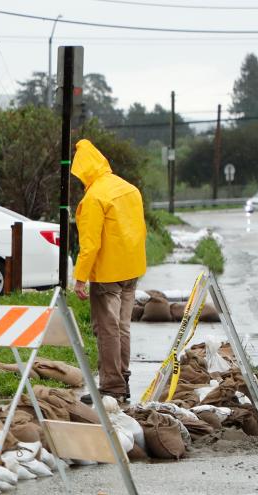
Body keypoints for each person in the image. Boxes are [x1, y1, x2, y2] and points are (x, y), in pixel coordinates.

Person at [70, 139, 147, 404]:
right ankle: (122, 379)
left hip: (107, 274)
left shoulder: (94, 197)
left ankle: (111, 386)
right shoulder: (129, 189)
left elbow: (89, 245)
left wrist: (80, 278)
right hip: (132, 269)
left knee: (107, 329)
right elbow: (139, 230)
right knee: (123, 326)